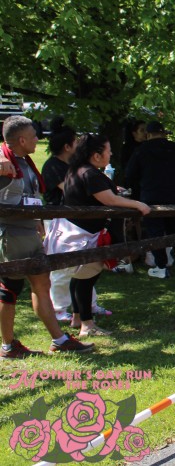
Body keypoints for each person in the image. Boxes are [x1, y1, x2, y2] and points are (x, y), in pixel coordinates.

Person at [0, 116, 93, 357]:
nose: (38, 140)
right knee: (9, 289)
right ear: (21, 140)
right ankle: (8, 346)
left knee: (42, 283)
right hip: (11, 235)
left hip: (30, 233)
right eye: (33, 136)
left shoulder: (23, 162)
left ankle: (59, 340)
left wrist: (38, 222)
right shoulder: (4, 161)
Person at [61, 133, 151, 338]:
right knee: (86, 278)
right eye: (108, 151)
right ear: (96, 155)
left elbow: (99, 194)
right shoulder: (89, 173)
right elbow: (109, 200)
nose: (111, 154)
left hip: (78, 231)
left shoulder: (77, 170)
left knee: (79, 277)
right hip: (88, 235)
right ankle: (87, 325)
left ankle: (77, 317)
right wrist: (138, 204)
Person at [126, 121, 175, 279]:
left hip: (151, 196)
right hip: (172, 195)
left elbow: (130, 173)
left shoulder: (141, 150)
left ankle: (161, 266)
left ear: (148, 134)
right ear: (163, 133)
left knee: (155, 232)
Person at [42, 118, 78, 321]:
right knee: (62, 265)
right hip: (58, 219)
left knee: (84, 263)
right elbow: (71, 190)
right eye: (76, 142)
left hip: (74, 219)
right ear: (67, 146)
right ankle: (58, 308)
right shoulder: (53, 166)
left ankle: (88, 304)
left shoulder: (73, 165)